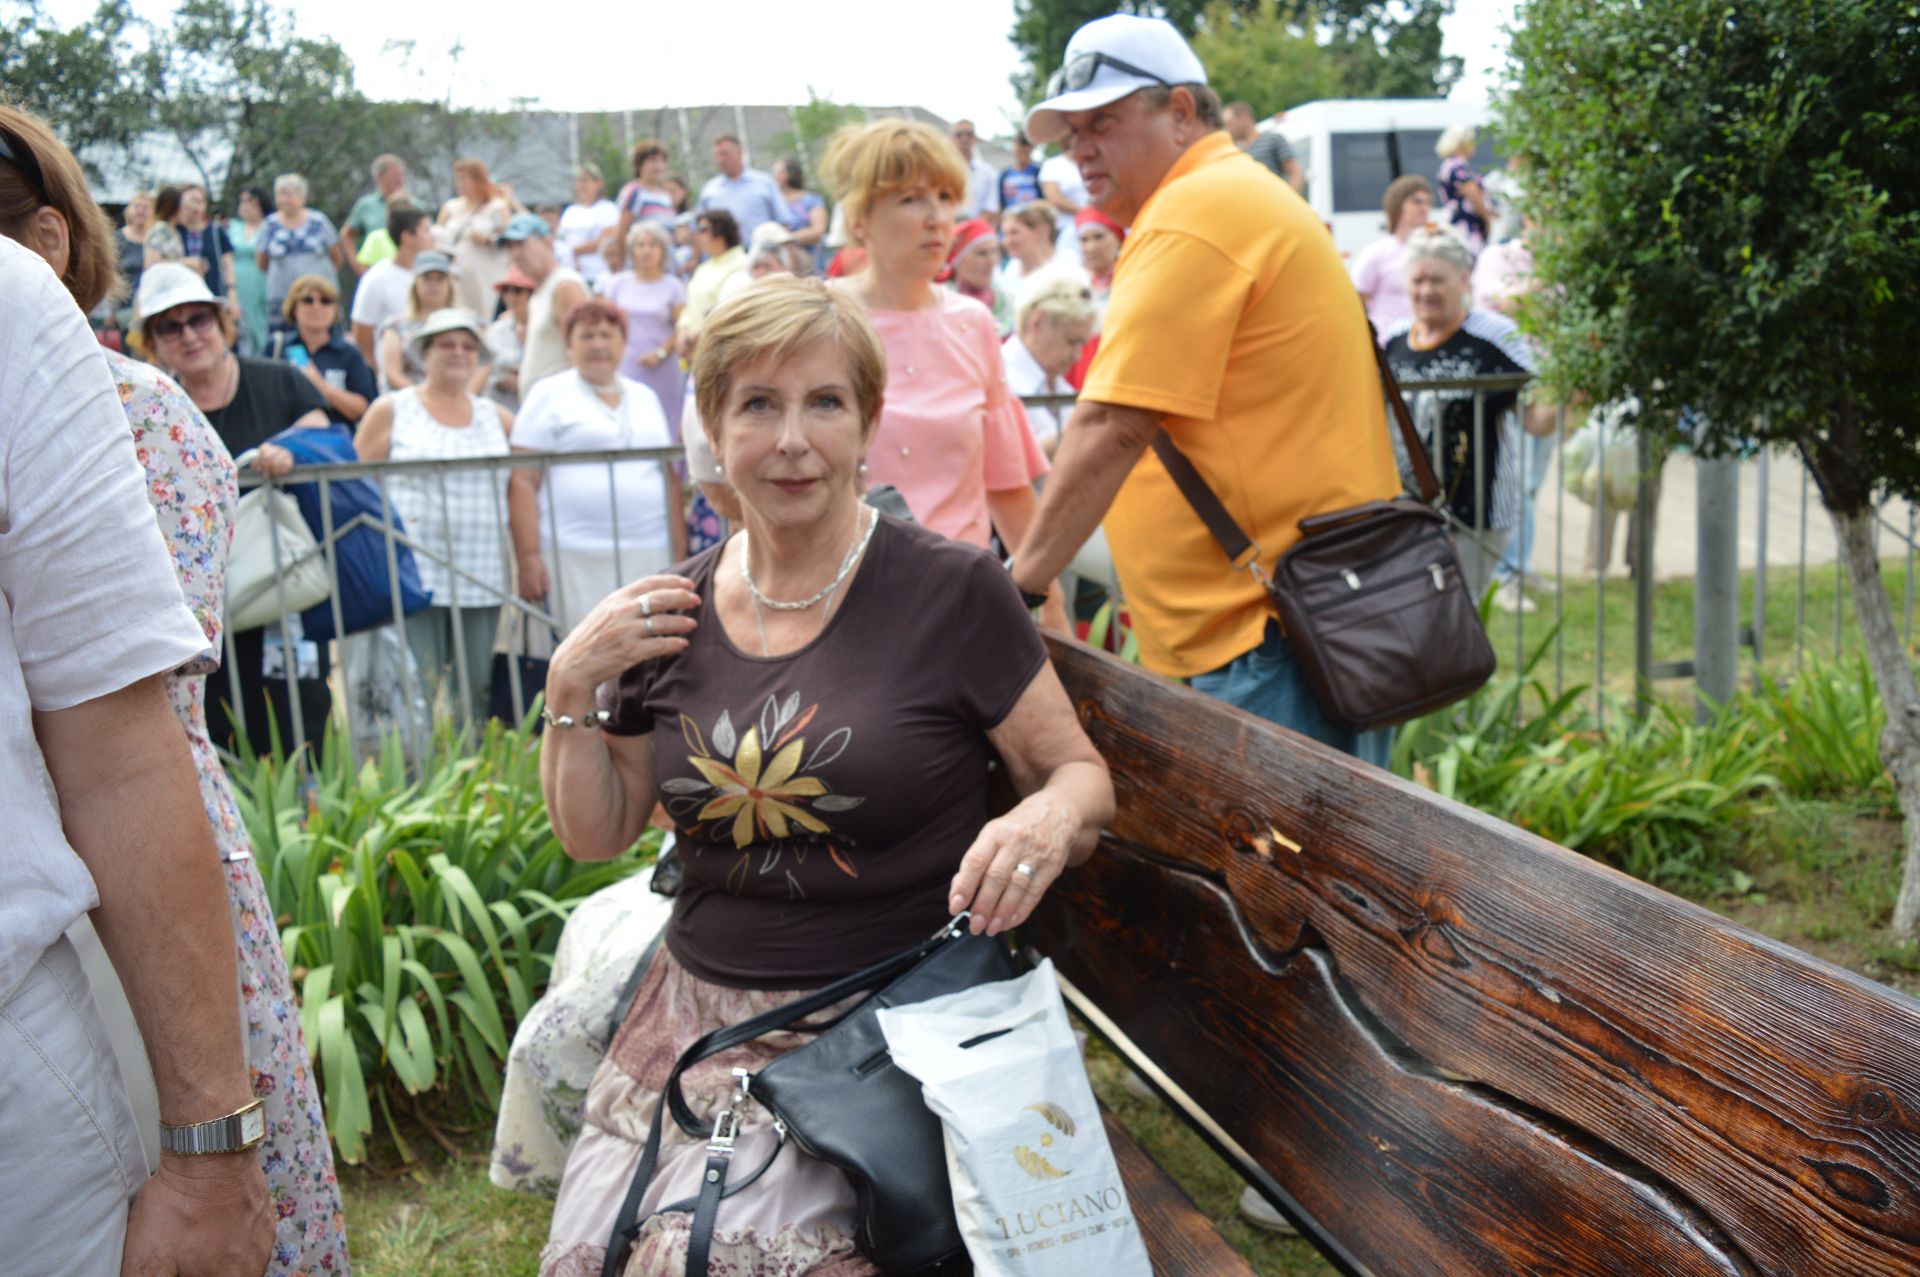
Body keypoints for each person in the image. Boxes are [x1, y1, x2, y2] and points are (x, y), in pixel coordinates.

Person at [533, 275, 1113, 1276]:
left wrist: (1046, 821)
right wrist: (569, 684)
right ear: (713, 426)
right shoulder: (673, 611)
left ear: (867, 422)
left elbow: (1076, 774)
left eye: (824, 402)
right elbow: (598, 830)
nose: (792, 437)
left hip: (886, 1021)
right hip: (697, 1010)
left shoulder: (950, 589)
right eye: (757, 404)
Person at [1008, 24, 1409, 1232]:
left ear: (1182, 110)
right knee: (1305, 914)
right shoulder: (1229, 200)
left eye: (1103, 123)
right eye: (1068, 133)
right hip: (1280, 624)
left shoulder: (1195, 213)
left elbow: (1112, 420)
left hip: (1266, 636)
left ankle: (1311, 1158)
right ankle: (1308, 1143)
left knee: (1288, 922)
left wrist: (1016, 583)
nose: (1081, 150)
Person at [0, 111, 351, 1269]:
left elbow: (129, 695)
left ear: (47, 240)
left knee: (178, 1185)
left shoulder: (142, 413)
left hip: (126, 845)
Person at [821, 119, 1054, 582]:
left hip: (960, 599)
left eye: (945, 198)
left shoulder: (973, 323)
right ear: (859, 217)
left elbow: (1006, 481)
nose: (936, 218)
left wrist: (1048, 606)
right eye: (911, 199)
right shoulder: (813, 317)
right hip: (846, 599)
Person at [135, 263, 337, 758]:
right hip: (204, 603)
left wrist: (291, 451)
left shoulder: (279, 380)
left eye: (199, 319)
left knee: (302, 717)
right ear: (153, 342)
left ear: (222, 322)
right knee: (220, 719)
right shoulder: (152, 406)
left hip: (279, 591)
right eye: (169, 325)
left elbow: (327, 436)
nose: (188, 335)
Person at [354, 309, 514, 726]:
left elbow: (525, 483)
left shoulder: (496, 416)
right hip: (413, 571)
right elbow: (356, 485)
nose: (459, 353)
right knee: (414, 687)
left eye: (468, 345)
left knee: (473, 690)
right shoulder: (392, 409)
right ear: (423, 353)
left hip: (481, 571)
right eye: (446, 343)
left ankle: (473, 780)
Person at [1382, 226, 1557, 602]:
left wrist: (1569, 386)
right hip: (1406, 512)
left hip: (1476, 515)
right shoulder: (1393, 340)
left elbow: (1537, 421)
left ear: (1463, 279)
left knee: (1456, 620)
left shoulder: (1494, 338)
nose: (1426, 291)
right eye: (1418, 280)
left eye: (1437, 280)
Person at [508, 298, 686, 637]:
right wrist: (528, 557)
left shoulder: (645, 396)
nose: (599, 345)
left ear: (622, 342)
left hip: (648, 552)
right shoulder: (548, 394)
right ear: (569, 345)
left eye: (607, 335)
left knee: (646, 657)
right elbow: (523, 480)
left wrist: (679, 550)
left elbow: (668, 479)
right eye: (587, 336)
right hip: (572, 556)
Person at [603, 220, 688, 435]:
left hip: (662, 366)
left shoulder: (673, 286)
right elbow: (606, 322)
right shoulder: (617, 283)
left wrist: (661, 353)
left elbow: (682, 326)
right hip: (626, 363)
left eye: (652, 245)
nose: (646, 251)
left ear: (662, 250)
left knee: (664, 422)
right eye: (640, 245)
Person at [1002, 262, 1097, 453]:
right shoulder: (1000, 380)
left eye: (1081, 344)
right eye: (1071, 342)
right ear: (1037, 323)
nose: (1077, 356)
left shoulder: (1054, 379)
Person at [501, 211, 591, 390]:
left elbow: (584, 351)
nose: (515, 254)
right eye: (510, 247)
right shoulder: (541, 290)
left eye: (521, 244)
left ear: (546, 241)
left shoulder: (564, 286)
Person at [276, 272, 376, 426]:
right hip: (284, 439)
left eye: (326, 301)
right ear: (293, 307)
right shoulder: (277, 347)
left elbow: (362, 409)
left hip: (334, 440)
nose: (317, 307)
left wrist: (321, 386)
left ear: (335, 309)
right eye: (308, 300)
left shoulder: (349, 353)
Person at [1350, 174, 1436, 335]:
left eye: (1428, 202)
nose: (1424, 208)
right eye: (1416, 201)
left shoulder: (1433, 251)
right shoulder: (1376, 253)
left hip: (1425, 340)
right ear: (1397, 205)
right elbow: (1357, 299)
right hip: (1388, 342)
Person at [255, 172, 341, 329]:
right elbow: (261, 261)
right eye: (281, 194)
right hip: (282, 298)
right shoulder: (269, 224)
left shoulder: (319, 221)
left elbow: (336, 256)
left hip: (318, 298)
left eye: (290, 194)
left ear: (303, 197)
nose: (285, 199)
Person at [351, 203, 433, 364]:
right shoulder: (376, 278)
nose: (432, 237)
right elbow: (362, 334)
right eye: (426, 231)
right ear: (407, 237)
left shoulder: (437, 275)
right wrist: (377, 372)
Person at [439, 156, 517, 314]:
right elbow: (438, 236)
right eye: (457, 179)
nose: (459, 184)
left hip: (487, 274)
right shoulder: (450, 207)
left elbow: (509, 240)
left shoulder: (496, 207)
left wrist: (487, 240)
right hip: (458, 274)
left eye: (463, 179)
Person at [376, 247, 456, 394]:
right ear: (415, 284)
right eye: (427, 279)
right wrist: (425, 399)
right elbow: (392, 373)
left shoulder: (461, 325)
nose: (434, 285)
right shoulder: (395, 326)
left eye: (440, 279)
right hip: (408, 401)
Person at [675, 207, 746, 355]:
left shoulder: (743, 265)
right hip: (694, 352)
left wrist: (699, 336)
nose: (696, 235)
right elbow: (689, 307)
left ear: (721, 230)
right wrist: (684, 334)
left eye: (702, 229)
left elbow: (734, 311)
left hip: (722, 351)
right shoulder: (704, 267)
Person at [695, 133, 785, 245]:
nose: (720, 160)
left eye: (725, 154)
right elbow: (699, 228)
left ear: (740, 152)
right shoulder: (709, 190)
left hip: (762, 255)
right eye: (717, 155)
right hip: (726, 258)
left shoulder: (764, 182)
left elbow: (783, 221)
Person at [611, 140, 679, 271]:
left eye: (662, 162)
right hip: (641, 266)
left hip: (666, 266)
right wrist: (621, 267)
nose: (658, 167)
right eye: (653, 161)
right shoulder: (634, 192)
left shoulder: (665, 196)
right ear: (639, 165)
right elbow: (621, 232)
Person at [940, 216, 1012, 334]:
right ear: (957, 260)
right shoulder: (940, 304)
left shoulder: (1007, 300)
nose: (991, 261)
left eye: (994, 251)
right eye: (981, 253)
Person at [341, 153, 409, 273]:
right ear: (380, 177)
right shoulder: (366, 206)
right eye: (395, 175)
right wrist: (359, 268)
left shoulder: (415, 205)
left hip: (408, 271)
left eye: (402, 174)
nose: (400, 179)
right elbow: (346, 236)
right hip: (376, 271)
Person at [559, 163, 621, 287]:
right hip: (572, 276)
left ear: (598, 184)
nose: (582, 185)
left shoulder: (608, 209)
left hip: (598, 276)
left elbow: (605, 240)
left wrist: (573, 251)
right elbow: (561, 240)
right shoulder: (570, 211)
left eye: (586, 181)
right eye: (579, 181)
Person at [1224, 100, 1305, 193]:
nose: (1227, 129)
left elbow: (1295, 173)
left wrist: (1289, 201)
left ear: (1244, 118)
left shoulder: (1273, 139)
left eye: (1229, 124)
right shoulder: (1234, 152)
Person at [1436, 124, 1493, 256]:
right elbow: (1471, 192)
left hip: (1458, 222)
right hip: (1466, 225)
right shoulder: (1458, 166)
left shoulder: (1449, 165)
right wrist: (1486, 217)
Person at [483, 266, 535, 410]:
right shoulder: (495, 331)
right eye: (506, 291)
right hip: (501, 406)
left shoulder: (545, 330)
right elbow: (481, 373)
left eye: (518, 291)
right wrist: (499, 381)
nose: (511, 297)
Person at [228, 185, 271, 355]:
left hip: (259, 282)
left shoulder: (269, 226)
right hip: (234, 284)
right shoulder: (231, 227)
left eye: (250, 201)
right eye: (242, 201)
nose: (245, 205)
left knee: (257, 322)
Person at [772, 155, 828, 262]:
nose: (774, 176)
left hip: (811, 260)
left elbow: (818, 229)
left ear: (789, 174)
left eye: (777, 172)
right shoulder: (775, 203)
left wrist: (789, 238)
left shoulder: (811, 201)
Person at [995, 199, 1057, 293]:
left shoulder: (1057, 270)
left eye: (1014, 233)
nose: (1007, 241)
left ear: (1037, 232)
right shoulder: (1008, 270)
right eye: (1005, 234)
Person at [1037, 146, 1087, 261]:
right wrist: (1087, 212)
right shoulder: (1053, 165)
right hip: (1064, 227)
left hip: (1095, 224)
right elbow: (1054, 198)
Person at [951, 118, 1001, 219]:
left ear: (975, 138)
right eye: (959, 134)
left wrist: (972, 227)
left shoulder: (988, 172)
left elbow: (991, 206)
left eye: (969, 134)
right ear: (952, 139)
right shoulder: (943, 170)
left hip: (978, 231)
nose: (964, 138)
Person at [115, 187, 154, 304]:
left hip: (150, 302)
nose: (141, 211)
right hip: (123, 304)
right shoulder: (117, 239)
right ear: (129, 210)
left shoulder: (156, 239)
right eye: (137, 206)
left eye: (145, 208)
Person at [1075, 205, 1124, 296]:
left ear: (1118, 239)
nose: (1091, 247)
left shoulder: (1133, 274)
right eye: (1084, 239)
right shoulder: (1071, 281)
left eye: (1099, 237)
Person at [998, 130, 1042, 210]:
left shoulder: (1039, 172)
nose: (1023, 152)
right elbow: (1000, 202)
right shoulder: (1004, 175)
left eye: (1026, 150)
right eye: (1020, 148)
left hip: (1033, 218)